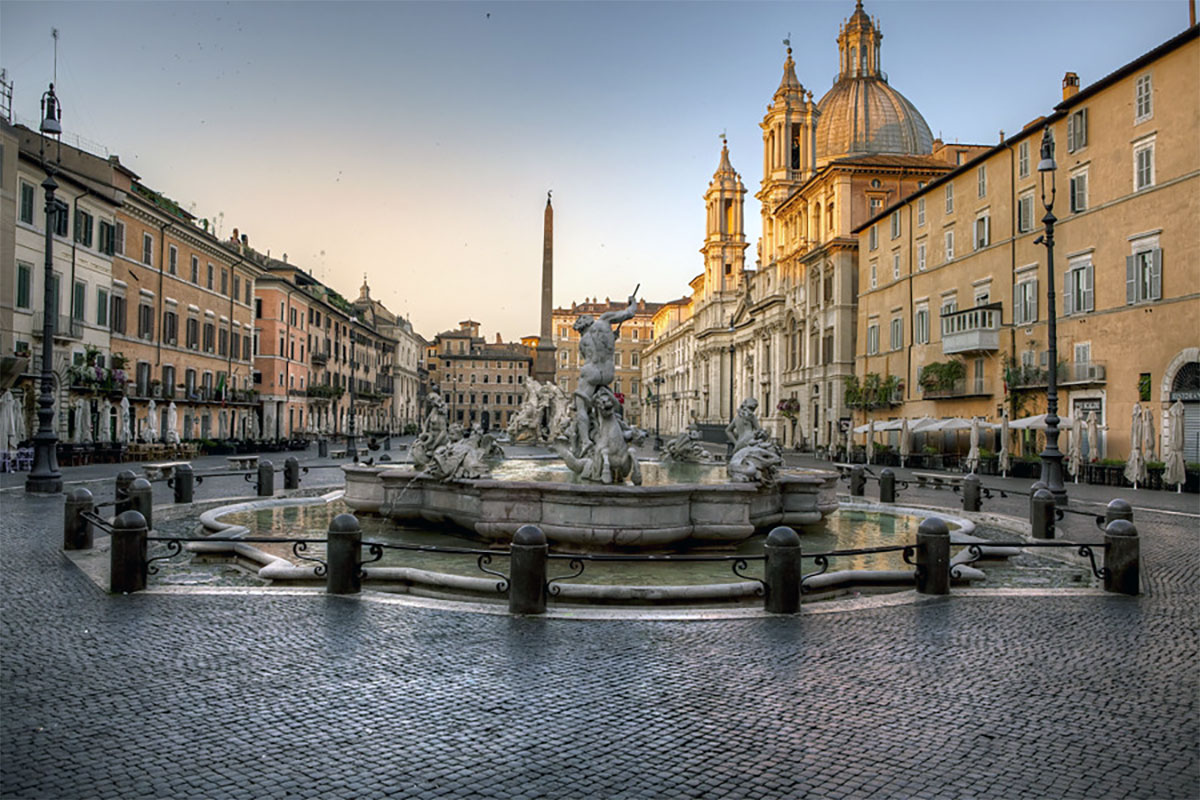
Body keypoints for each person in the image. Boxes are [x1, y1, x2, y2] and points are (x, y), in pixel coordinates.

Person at [572, 292, 638, 453]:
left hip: (591, 372)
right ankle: (612, 430)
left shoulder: (583, 341)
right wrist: (633, 302)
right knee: (605, 400)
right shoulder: (605, 320)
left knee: (581, 407)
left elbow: (589, 357)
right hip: (608, 373)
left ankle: (586, 441)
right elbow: (630, 313)